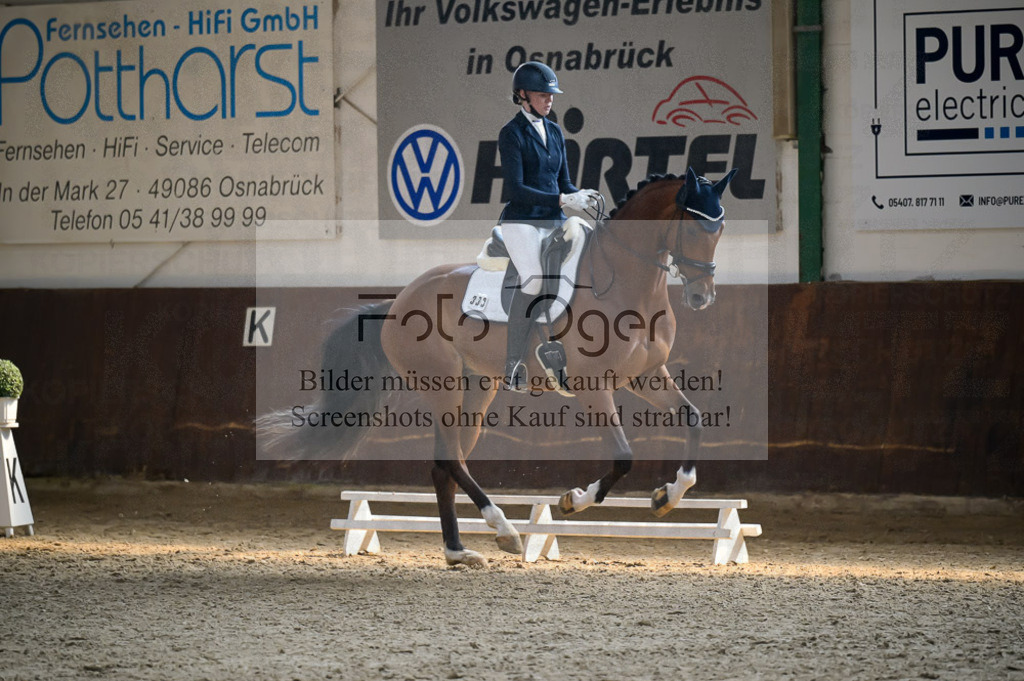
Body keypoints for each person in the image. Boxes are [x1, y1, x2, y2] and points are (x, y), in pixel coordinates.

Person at [498, 61, 600, 390]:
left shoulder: (555, 131)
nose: (549, 100)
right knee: (534, 280)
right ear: (523, 95)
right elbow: (515, 189)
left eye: (551, 95)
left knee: (582, 267)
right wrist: (560, 200)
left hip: (553, 219)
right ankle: (513, 363)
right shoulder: (511, 134)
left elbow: (565, 183)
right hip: (522, 222)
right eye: (543, 95)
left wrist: (580, 197)